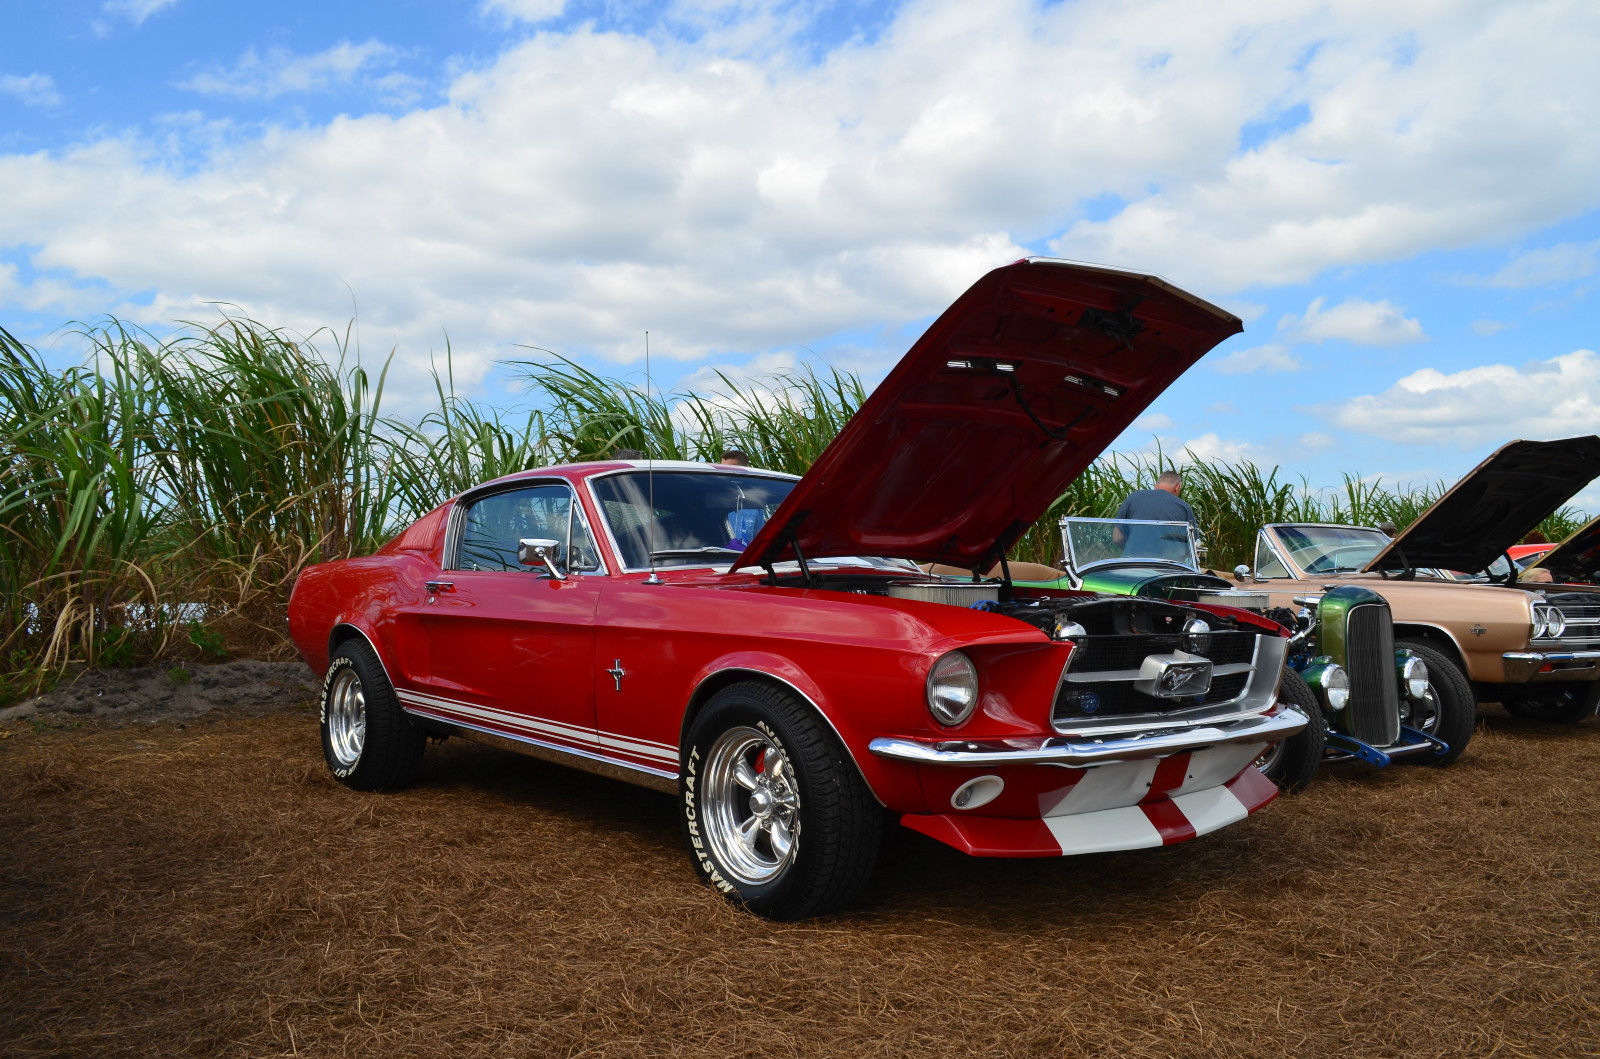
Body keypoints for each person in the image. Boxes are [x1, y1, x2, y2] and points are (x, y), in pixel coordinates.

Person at [1113, 470, 1197, 559]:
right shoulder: (1184, 507)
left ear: (1155, 486)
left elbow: (1117, 538)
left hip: (1130, 564)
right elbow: (1193, 547)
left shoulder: (1133, 497)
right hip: (1167, 567)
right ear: (1177, 487)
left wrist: (1133, 550)